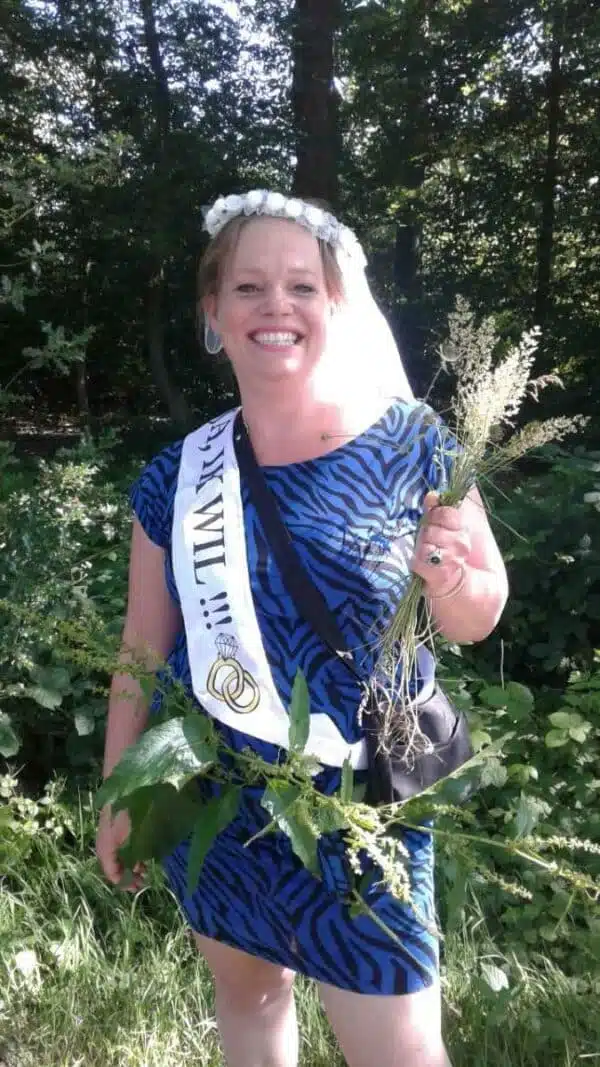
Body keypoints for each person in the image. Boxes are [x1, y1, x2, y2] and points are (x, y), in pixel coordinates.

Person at [96, 190, 508, 1067]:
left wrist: (449, 577)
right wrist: (119, 793)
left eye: (300, 286)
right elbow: (140, 653)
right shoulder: (175, 477)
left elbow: (479, 615)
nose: (274, 305)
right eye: (248, 287)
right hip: (223, 800)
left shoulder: (413, 444)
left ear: (335, 304)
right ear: (214, 312)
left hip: (365, 808)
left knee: (402, 1051)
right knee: (249, 1000)